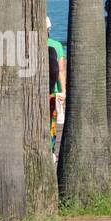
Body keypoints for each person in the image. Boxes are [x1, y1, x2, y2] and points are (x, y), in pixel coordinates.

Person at [46, 17, 66, 158]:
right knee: (51, 123)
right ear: (49, 29)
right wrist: (63, 91)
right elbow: (61, 70)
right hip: (52, 92)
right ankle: (51, 151)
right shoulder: (56, 45)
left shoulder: (27, 43)